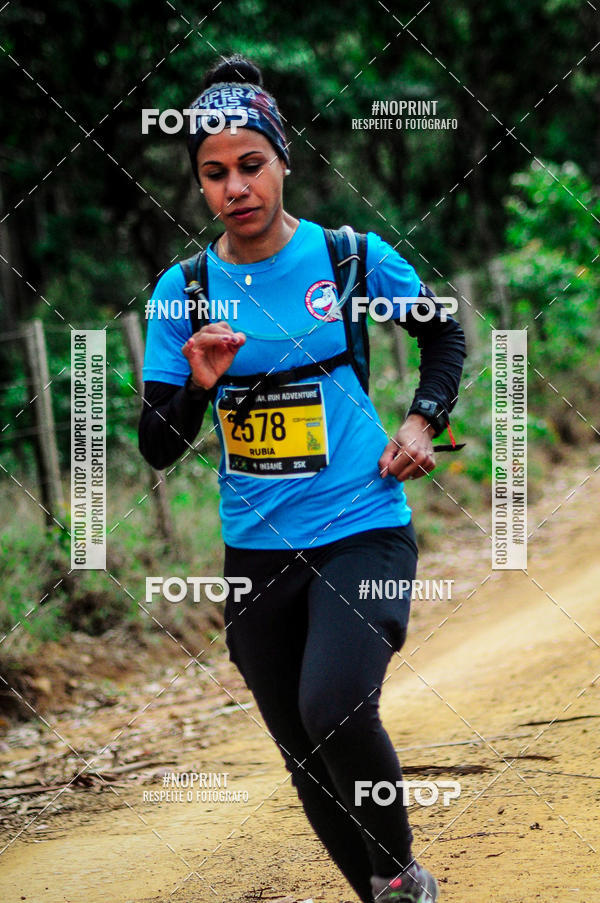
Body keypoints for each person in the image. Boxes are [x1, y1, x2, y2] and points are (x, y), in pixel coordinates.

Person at [139, 54, 466, 903]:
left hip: (363, 521)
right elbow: (154, 444)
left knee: (335, 709)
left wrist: (422, 418)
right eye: (214, 174)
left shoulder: (349, 257)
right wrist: (200, 385)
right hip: (257, 550)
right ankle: (381, 894)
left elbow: (446, 333)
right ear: (200, 185)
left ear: (285, 160)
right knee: (302, 752)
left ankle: (401, 877)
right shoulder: (184, 293)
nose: (235, 187)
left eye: (251, 165)